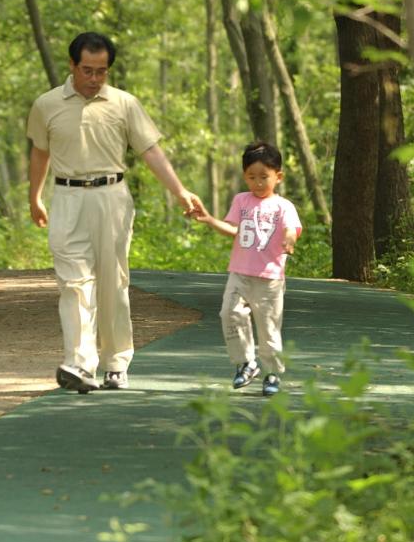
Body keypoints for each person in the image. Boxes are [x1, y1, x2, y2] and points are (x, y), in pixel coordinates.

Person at [27, 31, 203, 393]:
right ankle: (79, 363)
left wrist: (180, 190)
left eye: (101, 72)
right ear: (72, 65)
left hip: (112, 197)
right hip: (66, 197)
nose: (94, 79)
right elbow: (40, 152)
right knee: (74, 285)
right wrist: (34, 197)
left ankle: (116, 363)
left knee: (112, 282)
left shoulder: (125, 104)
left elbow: (150, 150)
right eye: (87, 70)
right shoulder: (47, 104)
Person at [192, 140, 302, 397]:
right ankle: (247, 362)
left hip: (270, 278)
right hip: (240, 273)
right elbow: (233, 229)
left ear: (279, 176)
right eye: (252, 177)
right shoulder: (241, 201)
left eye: (264, 176)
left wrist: (289, 239)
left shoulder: (283, 206)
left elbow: (291, 229)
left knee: (268, 328)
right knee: (228, 313)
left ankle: (272, 373)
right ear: (245, 177)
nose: (258, 182)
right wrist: (209, 219)